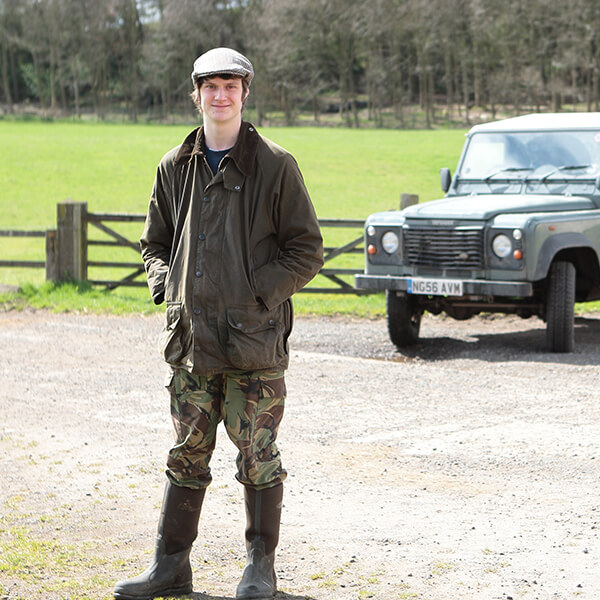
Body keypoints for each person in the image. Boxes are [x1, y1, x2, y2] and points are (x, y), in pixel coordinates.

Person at [113, 47, 324, 600]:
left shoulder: (276, 165)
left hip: (253, 343)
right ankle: (170, 568)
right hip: (190, 343)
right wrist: (167, 287)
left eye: (231, 85)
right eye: (210, 86)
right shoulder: (173, 165)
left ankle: (261, 570)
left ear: (245, 92)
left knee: (257, 454)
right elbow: (153, 243)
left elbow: (306, 250)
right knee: (186, 453)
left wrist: (257, 294)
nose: (221, 95)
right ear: (196, 94)